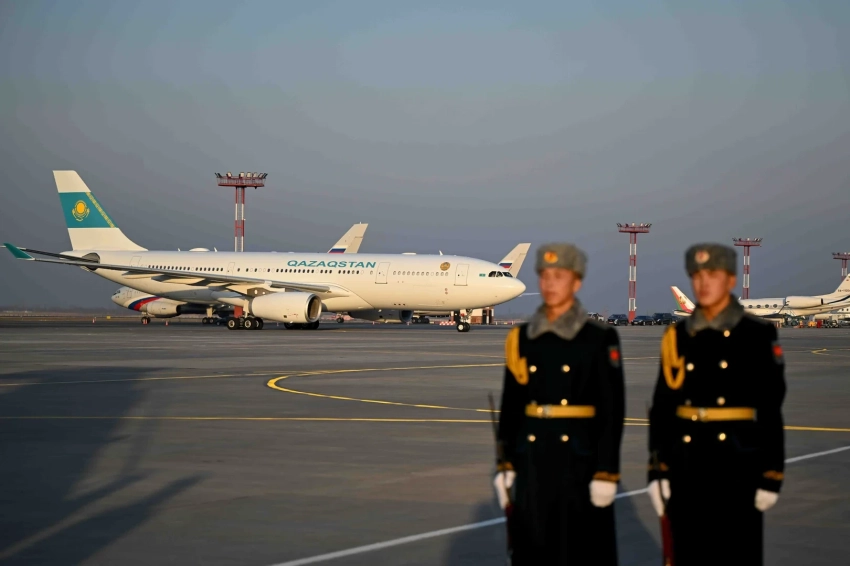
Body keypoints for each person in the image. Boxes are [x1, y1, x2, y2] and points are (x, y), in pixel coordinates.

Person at [647, 243, 786, 566]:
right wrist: (658, 471)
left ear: (731, 280)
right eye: (696, 276)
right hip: (686, 466)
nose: (703, 283)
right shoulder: (677, 336)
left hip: (739, 465)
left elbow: (770, 409)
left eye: (712, 274)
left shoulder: (757, 334)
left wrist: (771, 473)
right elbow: (663, 408)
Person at [493, 243, 625, 565]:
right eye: (545, 276)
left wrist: (606, 472)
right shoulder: (522, 338)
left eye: (559, 276)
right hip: (532, 460)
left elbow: (611, 410)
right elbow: (512, 406)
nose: (550, 284)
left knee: (581, 551)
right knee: (532, 549)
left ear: (576, 282)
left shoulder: (598, 338)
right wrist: (506, 463)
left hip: (580, 461)